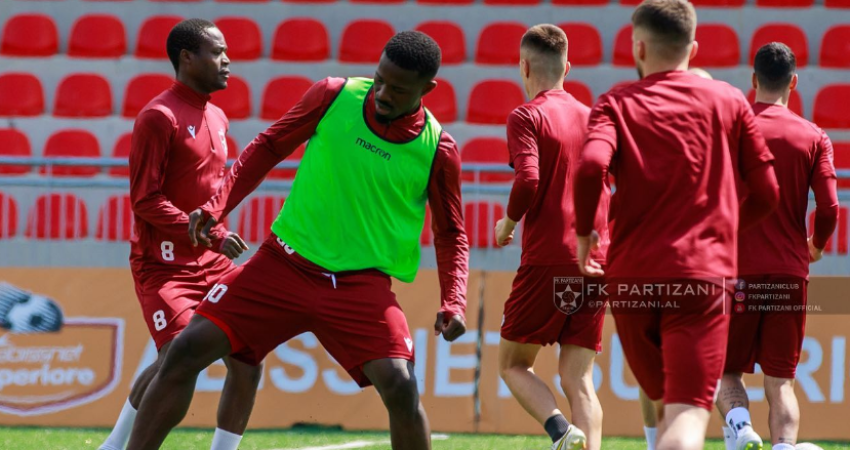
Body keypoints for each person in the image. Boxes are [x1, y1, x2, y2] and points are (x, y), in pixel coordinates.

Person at [125, 31, 469, 450]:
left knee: (401, 386)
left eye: (397, 90)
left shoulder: (438, 148)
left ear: (427, 89)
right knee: (185, 350)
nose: (382, 94)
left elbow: (451, 233)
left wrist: (454, 300)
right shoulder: (333, 95)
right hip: (282, 265)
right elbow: (268, 146)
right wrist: (216, 207)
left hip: (360, 286)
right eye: (379, 80)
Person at [572, 0, 781, 448]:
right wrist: (722, 231)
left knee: (665, 405)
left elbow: (589, 169)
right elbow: (768, 193)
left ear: (639, 48)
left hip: (631, 280)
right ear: (694, 48)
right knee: (687, 415)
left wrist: (585, 232)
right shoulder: (728, 100)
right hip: (699, 276)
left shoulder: (614, 102)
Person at [100, 19, 262, 450]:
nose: (227, 61)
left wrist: (215, 231)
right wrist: (208, 233)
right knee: (179, 356)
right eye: (217, 52)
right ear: (187, 58)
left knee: (248, 359)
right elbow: (145, 200)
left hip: (211, 260)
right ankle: (115, 445)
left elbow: (210, 191)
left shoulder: (218, 116)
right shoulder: (159, 116)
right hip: (164, 264)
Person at [716, 42, 839, 450]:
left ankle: (741, 427)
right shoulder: (814, 136)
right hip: (788, 271)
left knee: (724, 370)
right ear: (794, 82)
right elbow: (829, 207)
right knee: (781, 381)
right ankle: (784, 446)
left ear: (753, 79)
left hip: (735, 271)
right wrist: (815, 245)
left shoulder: (731, 130)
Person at [493, 24, 609, 450]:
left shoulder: (526, 116)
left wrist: (508, 223)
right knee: (579, 378)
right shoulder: (595, 117)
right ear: (568, 67)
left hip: (550, 256)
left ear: (524, 67)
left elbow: (528, 178)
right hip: (597, 258)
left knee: (512, 364)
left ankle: (562, 431)